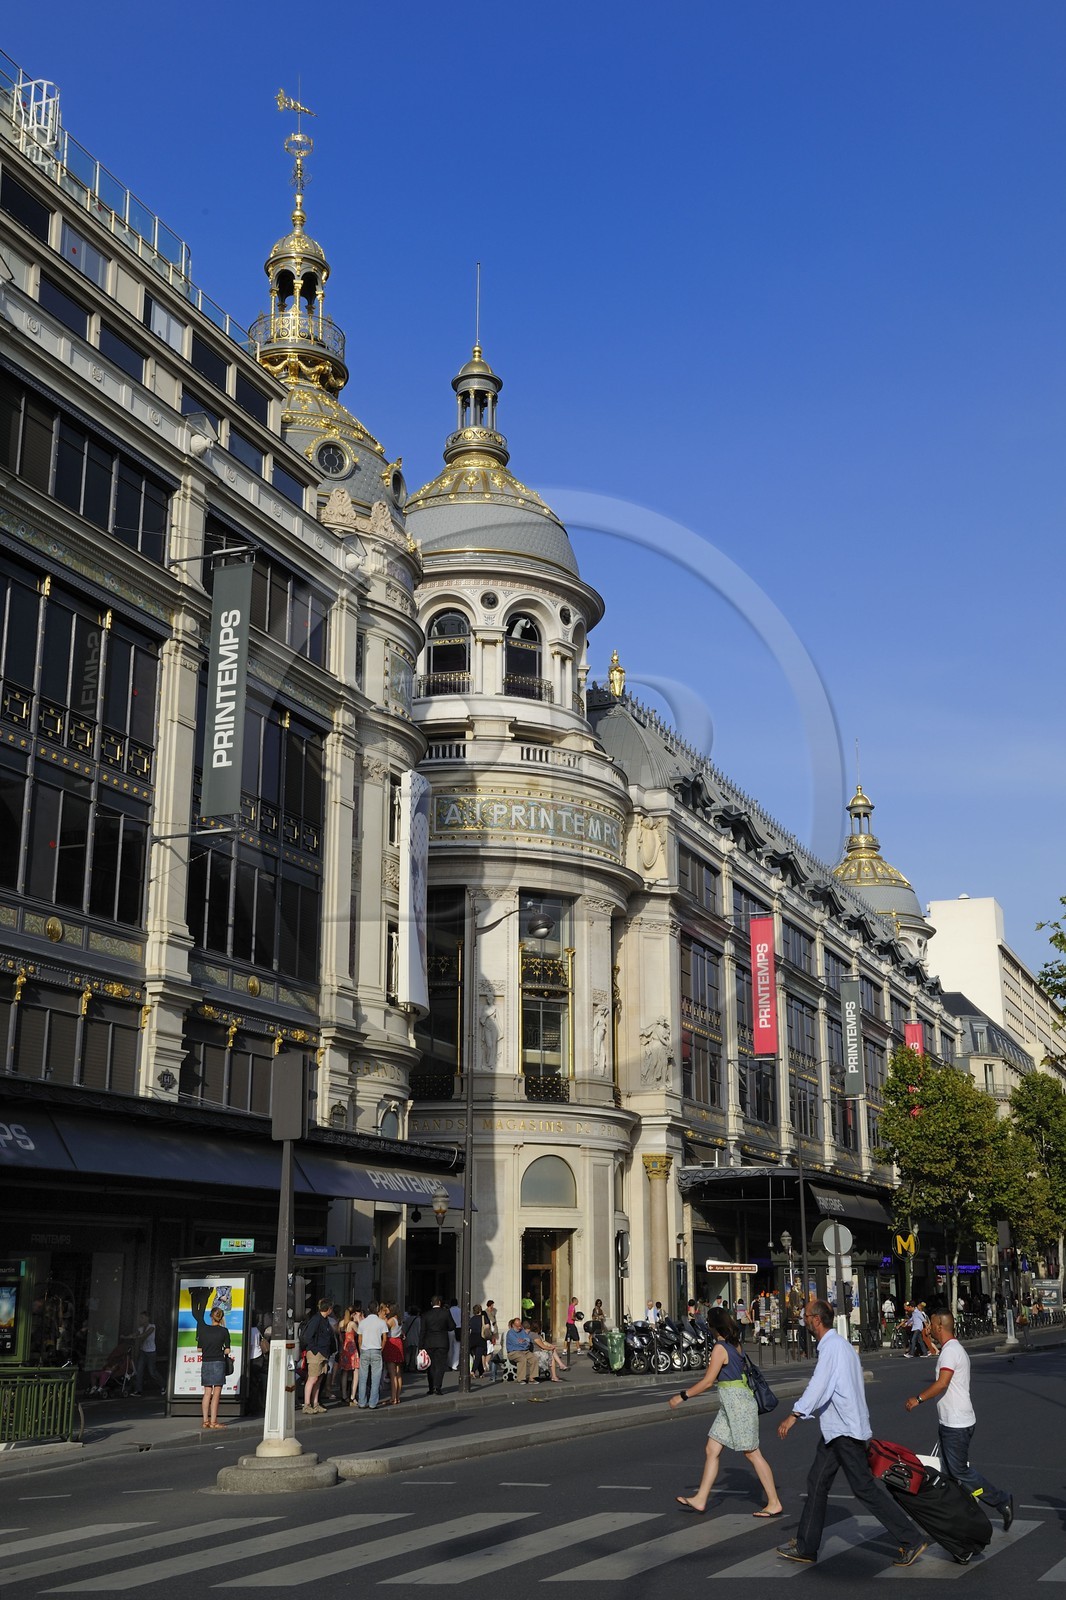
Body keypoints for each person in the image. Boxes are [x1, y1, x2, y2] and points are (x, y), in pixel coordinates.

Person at [775, 1298, 927, 1567]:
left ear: (817, 1320)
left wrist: (794, 1415)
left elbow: (819, 1385)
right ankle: (807, 1545)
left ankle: (910, 1539)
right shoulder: (840, 1346)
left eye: (806, 1316)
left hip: (845, 1431)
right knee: (817, 1482)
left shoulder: (832, 1348)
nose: (804, 1320)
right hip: (838, 1429)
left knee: (864, 1488)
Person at [905, 1308, 1014, 1531]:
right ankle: (955, 1517)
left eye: (931, 1325)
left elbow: (942, 1382)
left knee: (959, 1472)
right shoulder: (951, 1349)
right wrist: (926, 1336)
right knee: (948, 1474)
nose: (929, 1328)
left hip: (957, 1424)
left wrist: (918, 1398)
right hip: (952, 1422)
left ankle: (1001, 1501)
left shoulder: (950, 1352)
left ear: (939, 1326)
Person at [669, 1306, 783, 1517]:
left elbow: (708, 1382)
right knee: (712, 1449)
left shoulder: (720, 1349)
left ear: (712, 1327)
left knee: (752, 1452)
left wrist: (682, 1396)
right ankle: (701, 1499)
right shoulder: (735, 1344)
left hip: (738, 1404)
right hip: (730, 1404)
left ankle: (774, 1502)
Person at [197, 1304, 230, 1430]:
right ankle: (214, 1421)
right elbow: (227, 1350)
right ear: (221, 1317)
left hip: (206, 1362)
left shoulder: (203, 1330)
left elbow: (199, 1349)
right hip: (218, 1362)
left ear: (211, 1316)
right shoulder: (224, 1331)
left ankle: (205, 1421)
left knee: (206, 1393)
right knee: (216, 1394)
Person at [300, 1298, 336, 1413]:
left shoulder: (324, 1320)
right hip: (317, 1353)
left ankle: (315, 1403)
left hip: (323, 1353)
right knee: (313, 1378)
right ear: (329, 1309)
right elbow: (307, 1337)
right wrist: (315, 1350)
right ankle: (306, 1404)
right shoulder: (316, 1320)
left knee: (319, 1378)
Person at [355, 1300, 388, 1409]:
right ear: (378, 1309)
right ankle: (373, 1403)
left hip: (364, 1350)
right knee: (376, 1378)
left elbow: (359, 1339)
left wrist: (361, 1349)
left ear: (368, 1309)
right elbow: (384, 1339)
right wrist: (381, 1349)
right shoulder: (381, 1322)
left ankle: (362, 1402)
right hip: (376, 1350)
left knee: (363, 1377)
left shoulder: (363, 1322)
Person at [421, 1295, 454, 1395]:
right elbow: (452, 1326)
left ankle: (431, 1387)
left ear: (432, 1303)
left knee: (430, 1366)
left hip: (429, 1343)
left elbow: (422, 1331)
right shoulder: (446, 1313)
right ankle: (437, 1387)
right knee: (440, 1365)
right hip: (442, 1342)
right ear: (440, 1303)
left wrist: (420, 1346)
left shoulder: (426, 1315)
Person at [128, 1310, 160, 1396]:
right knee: (139, 1370)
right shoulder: (140, 1328)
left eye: (142, 1318)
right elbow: (136, 1333)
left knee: (152, 1372)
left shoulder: (152, 1327)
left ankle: (164, 1385)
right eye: (140, 1318)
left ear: (147, 1318)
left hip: (151, 1352)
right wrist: (127, 1337)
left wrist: (135, 1337)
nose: (140, 1319)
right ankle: (138, 1390)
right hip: (143, 1351)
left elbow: (145, 1335)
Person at [381, 1303, 405, 1406]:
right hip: (398, 1343)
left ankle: (393, 1397)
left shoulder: (391, 1321)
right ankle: (398, 1397)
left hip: (391, 1343)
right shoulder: (399, 1320)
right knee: (398, 1373)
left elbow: (383, 1329)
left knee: (392, 1373)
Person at [336, 1307, 359, 1404]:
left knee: (344, 1372)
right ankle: (353, 1395)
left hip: (344, 1349)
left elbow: (340, 1338)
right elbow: (359, 1333)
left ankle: (344, 1395)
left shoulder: (340, 1323)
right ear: (352, 1314)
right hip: (352, 1349)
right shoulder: (352, 1324)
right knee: (356, 1372)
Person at [505, 1316, 538, 1383]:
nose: (519, 1328)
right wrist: (524, 1342)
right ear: (513, 1325)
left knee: (534, 1358)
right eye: (517, 1326)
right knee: (522, 1358)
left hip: (524, 1351)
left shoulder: (522, 1331)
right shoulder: (510, 1333)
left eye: (520, 1326)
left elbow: (528, 1340)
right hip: (513, 1352)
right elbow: (516, 1343)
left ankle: (532, 1378)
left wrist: (523, 1342)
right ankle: (521, 1378)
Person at [468, 1303, 489, 1379]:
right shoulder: (484, 1318)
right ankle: (472, 1371)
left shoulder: (471, 1319)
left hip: (472, 1338)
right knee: (478, 1356)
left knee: (477, 1356)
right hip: (481, 1338)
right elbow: (487, 1328)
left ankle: (481, 1372)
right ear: (480, 1310)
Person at [565, 1295, 581, 1363]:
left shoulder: (570, 1306)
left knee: (568, 1337)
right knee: (576, 1336)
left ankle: (565, 1350)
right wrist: (577, 1319)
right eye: (577, 1300)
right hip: (571, 1323)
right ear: (574, 1301)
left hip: (568, 1323)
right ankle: (578, 1350)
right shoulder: (573, 1307)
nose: (578, 1301)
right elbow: (572, 1317)